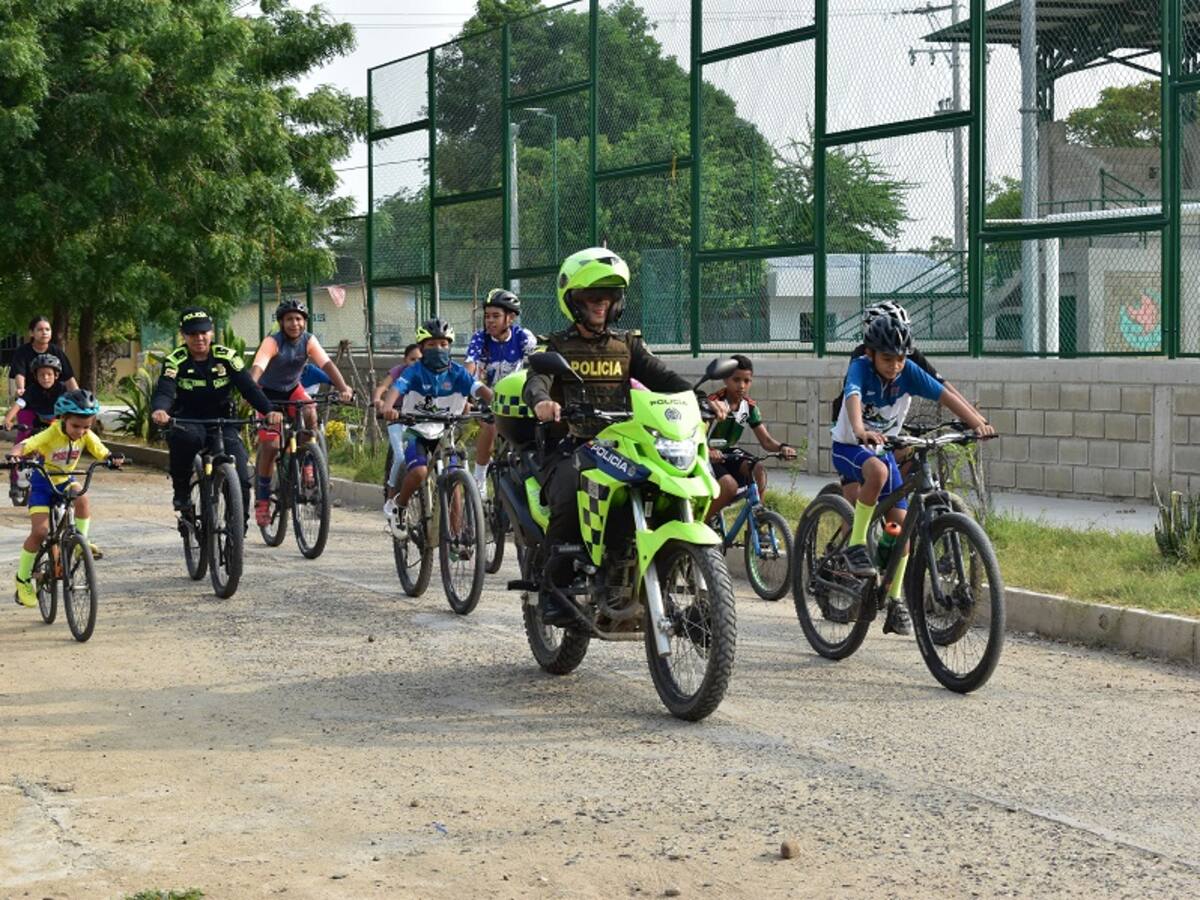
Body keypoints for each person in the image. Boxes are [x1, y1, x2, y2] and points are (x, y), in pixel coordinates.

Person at [523, 247, 727, 622]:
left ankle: (687, 581)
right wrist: (541, 402)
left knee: (671, 485)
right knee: (570, 489)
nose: (600, 304)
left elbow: (663, 378)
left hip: (622, 441)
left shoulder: (627, 345)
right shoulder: (555, 345)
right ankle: (554, 588)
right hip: (573, 443)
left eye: (608, 296)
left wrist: (697, 397)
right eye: (591, 296)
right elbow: (537, 380)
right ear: (572, 299)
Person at [832, 314, 995, 635]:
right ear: (871, 354)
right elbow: (852, 397)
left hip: (885, 448)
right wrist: (860, 429)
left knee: (900, 528)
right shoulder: (861, 368)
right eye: (887, 358)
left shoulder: (908, 372)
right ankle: (855, 546)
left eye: (900, 359)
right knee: (877, 471)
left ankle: (894, 602)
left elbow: (945, 395)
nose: (894, 365)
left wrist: (977, 422)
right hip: (850, 447)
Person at [833, 301, 969, 506]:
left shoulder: (909, 357)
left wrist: (974, 418)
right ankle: (855, 528)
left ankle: (893, 501)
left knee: (907, 451)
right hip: (853, 426)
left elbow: (943, 387)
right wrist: (859, 430)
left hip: (885, 423)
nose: (895, 361)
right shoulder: (862, 358)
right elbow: (854, 396)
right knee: (853, 502)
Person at [150, 307, 280, 520]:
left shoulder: (227, 357)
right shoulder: (175, 360)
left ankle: (238, 524)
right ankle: (181, 492)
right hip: (189, 418)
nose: (199, 338)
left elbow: (249, 388)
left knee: (240, 473)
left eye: (203, 332)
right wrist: (160, 410)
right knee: (186, 440)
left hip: (223, 420)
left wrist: (269, 411)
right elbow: (165, 390)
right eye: (192, 334)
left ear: (211, 333)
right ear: (183, 335)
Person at [11, 390, 124, 606]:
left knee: (81, 497)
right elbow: (28, 444)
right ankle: (22, 580)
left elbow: (100, 450)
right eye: (76, 426)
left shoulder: (86, 435)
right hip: (43, 484)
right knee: (40, 532)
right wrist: (16, 453)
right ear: (63, 419)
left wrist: (111, 458)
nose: (81, 431)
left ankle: (81, 541)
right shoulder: (52, 433)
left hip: (65, 480)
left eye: (86, 427)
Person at [248, 299, 353, 526]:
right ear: (281, 323)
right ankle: (263, 500)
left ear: (304, 322)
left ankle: (307, 461)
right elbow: (258, 367)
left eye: (298, 319)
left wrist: (344, 388)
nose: (294, 323)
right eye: (289, 319)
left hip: (293, 389)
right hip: (267, 395)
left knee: (310, 412)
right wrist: (250, 391)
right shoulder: (272, 342)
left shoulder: (309, 341)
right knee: (271, 446)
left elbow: (327, 366)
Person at [382, 319, 492, 534]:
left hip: (445, 432)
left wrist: (497, 404)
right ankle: (400, 506)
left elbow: (480, 389)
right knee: (419, 472)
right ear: (422, 348)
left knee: (456, 479)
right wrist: (388, 407)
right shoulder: (414, 372)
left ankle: (457, 536)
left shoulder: (458, 372)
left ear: (450, 346)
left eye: (443, 344)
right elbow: (396, 390)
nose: (438, 349)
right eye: (431, 345)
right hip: (417, 431)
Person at [705, 354, 796, 523]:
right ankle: (702, 523)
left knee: (758, 468)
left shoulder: (749, 407)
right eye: (736, 380)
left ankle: (758, 520)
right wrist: (709, 451)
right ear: (725, 379)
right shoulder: (714, 403)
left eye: (747, 381)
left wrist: (782, 447)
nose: (742, 386)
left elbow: (766, 441)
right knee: (729, 486)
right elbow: (697, 435)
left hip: (728, 453)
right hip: (707, 455)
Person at [464, 289, 537, 490]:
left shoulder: (523, 336)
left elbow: (536, 364)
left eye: (496, 316)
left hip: (514, 397)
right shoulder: (481, 338)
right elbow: (469, 368)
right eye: (487, 316)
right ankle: (479, 479)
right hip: (485, 396)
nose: (490, 321)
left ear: (510, 317)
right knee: (491, 426)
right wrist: (466, 393)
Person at [8, 316, 78, 437]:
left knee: (57, 438)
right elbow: (20, 373)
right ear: (31, 333)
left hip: (52, 405)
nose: (44, 332)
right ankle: (19, 455)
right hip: (29, 399)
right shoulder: (22, 351)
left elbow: (68, 377)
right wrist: (21, 388)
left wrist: (79, 397)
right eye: (40, 329)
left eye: (47, 329)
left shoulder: (56, 351)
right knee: (25, 437)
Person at [373, 343, 422, 510]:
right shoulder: (398, 371)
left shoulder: (428, 372)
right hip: (397, 416)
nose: (416, 363)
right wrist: (379, 400)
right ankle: (391, 493)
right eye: (412, 359)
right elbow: (383, 387)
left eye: (419, 359)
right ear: (404, 360)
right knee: (401, 457)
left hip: (420, 418)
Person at [4, 353, 66, 431]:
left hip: (61, 425)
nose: (45, 378)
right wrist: (7, 420)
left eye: (49, 374)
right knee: (25, 441)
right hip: (39, 425)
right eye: (41, 374)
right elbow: (19, 404)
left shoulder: (63, 388)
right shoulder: (32, 389)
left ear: (56, 375)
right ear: (36, 376)